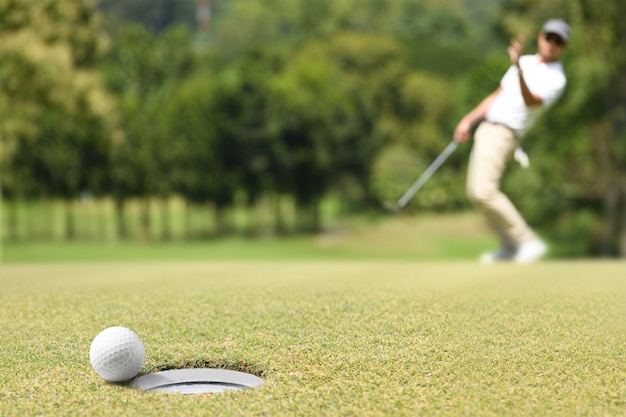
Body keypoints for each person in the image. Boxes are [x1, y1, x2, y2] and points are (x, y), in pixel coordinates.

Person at [453, 19, 570, 263]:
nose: (552, 44)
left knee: (484, 191)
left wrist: (518, 69)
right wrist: (468, 120)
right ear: (541, 37)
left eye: (558, 41)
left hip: (505, 133)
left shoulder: (557, 78)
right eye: (549, 37)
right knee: (476, 193)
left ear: (564, 47)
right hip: (487, 128)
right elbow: (497, 95)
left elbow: (532, 102)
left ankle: (527, 241)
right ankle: (510, 246)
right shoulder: (527, 61)